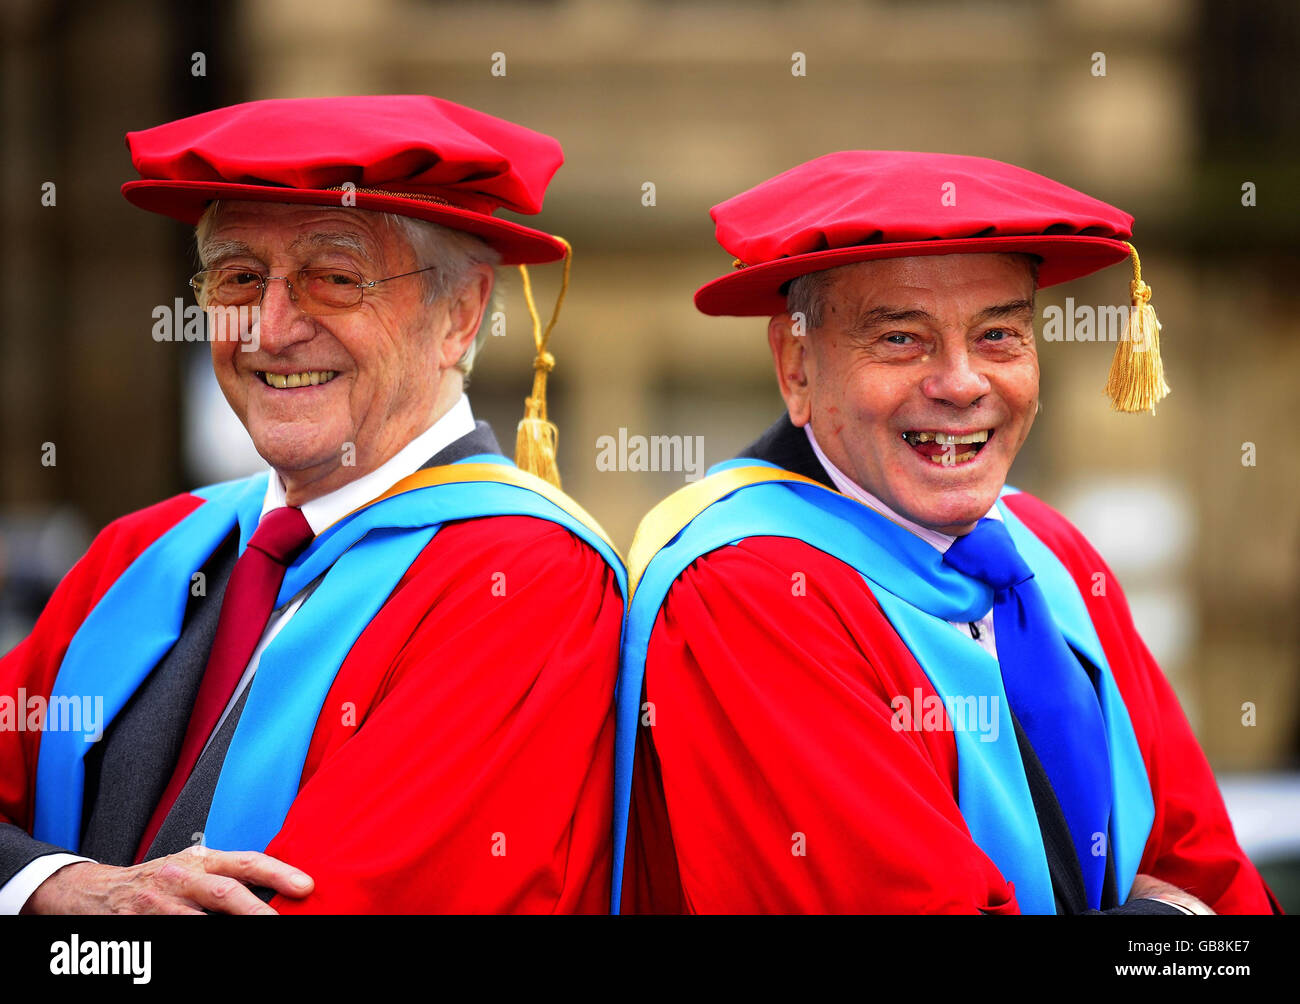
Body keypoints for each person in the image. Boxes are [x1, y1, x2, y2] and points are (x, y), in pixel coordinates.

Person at [0, 94, 625, 914]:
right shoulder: (143, 553)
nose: (270, 327)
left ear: (461, 315)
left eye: (333, 278)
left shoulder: (525, 583)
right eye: (238, 278)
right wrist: (57, 885)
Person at [615, 150, 1280, 915]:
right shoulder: (748, 591)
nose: (962, 383)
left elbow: (1205, 868)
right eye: (901, 339)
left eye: (999, 335)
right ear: (797, 365)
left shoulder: (1048, 552)